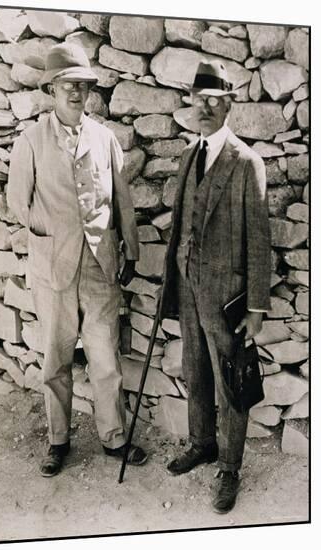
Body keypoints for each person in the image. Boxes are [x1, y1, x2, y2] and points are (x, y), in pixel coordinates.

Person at [7, 43, 147, 477]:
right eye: (68, 85)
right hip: (54, 270)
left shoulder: (104, 138)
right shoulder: (30, 141)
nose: (76, 93)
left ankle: (114, 439)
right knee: (57, 360)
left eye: (83, 87)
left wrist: (131, 246)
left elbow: (121, 197)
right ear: (52, 88)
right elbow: (17, 202)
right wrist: (48, 231)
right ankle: (59, 441)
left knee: (106, 360)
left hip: (101, 266)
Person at [160, 60, 271, 513]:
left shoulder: (246, 162)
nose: (203, 107)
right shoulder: (190, 154)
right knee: (194, 370)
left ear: (228, 105)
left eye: (213, 101)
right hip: (188, 287)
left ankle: (229, 467)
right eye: (198, 99)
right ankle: (202, 443)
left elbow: (260, 242)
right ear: (190, 102)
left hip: (226, 295)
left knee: (230, 381)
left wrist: (257, 308)